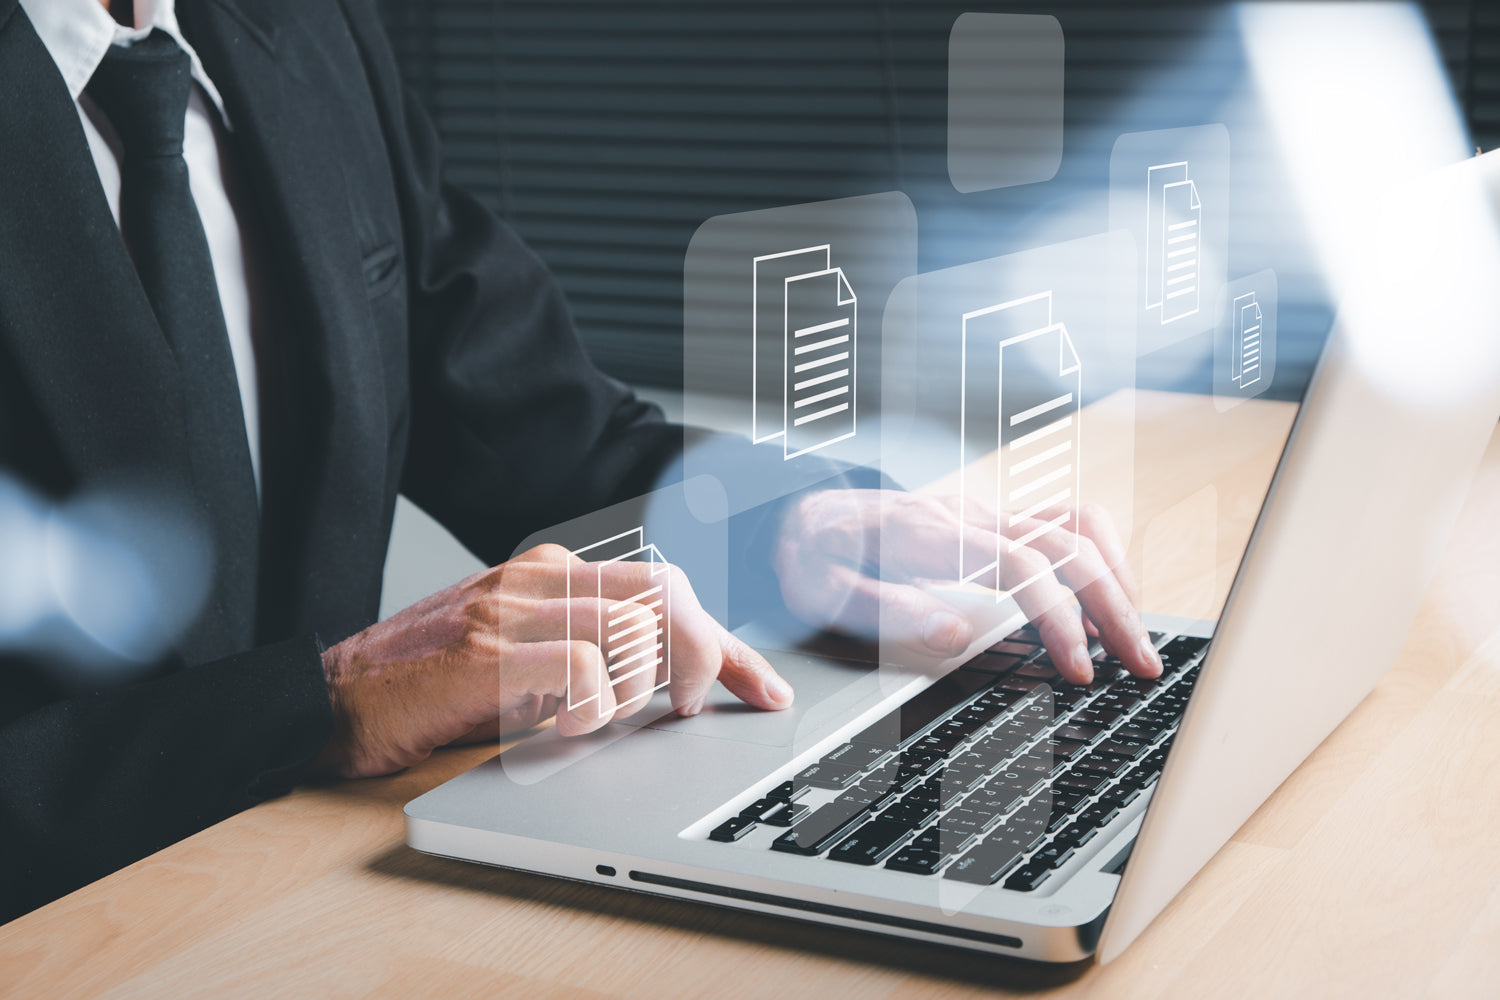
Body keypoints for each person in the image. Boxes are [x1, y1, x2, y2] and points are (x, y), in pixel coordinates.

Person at [0, 0, 1160, 923]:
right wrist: (319, 703)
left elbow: (543, 428)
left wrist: (794, 527)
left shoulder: (303, 27)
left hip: (326, 908)